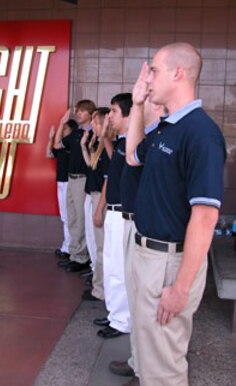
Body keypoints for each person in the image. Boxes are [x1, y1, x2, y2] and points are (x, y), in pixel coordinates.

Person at [126, 43, 226, 385]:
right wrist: (138, 105)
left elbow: (205, 218)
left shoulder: (201, 134)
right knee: (147, 352)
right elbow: (132, 157)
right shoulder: (166, 126)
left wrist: (180, 287)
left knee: (164, 368)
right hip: (144, 254)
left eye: (153, 70)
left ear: (177, 73)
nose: (147, 78)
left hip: (168, 265)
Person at [109, 86, 164, 385]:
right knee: (134, 298)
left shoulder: (158, 139)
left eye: (150, 101)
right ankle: (136, 361)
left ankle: (146, 371)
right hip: (129, 222)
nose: (148, 104)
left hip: (144, 226)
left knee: (146, 306)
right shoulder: (141, 140)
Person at [94, 93, 132, 339]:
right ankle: (114, 314)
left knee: (118, 268)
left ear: (128, 114)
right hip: (114, 212)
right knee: (110, 265)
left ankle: (121, 321)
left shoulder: (134, 144)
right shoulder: (120, 142)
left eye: (114, 111)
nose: (109, 116)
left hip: (125, 215)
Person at [53, 100, 96, 273]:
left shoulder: (93, 133)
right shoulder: (77, 132)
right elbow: (57, 145)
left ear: (90, 114)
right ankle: (74, 254)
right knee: (71, 217)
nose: (78, 113)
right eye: (77, 111)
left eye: (82, 111)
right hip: (70, 179)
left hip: (83, 179)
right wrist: (61, 123)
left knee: (80, 219)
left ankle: (81, 257)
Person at [80, 107, 113, 301]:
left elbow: (108, 179)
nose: (92, 125)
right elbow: (91, 165)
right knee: (96, 244)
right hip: (93, 195)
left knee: (101, 246)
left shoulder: (109, 146)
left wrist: (100, 208)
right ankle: (98, 284)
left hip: (101, 198)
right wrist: (87, 146)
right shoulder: (99, 144)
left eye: (95, 122)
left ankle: (100, 289)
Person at [46, 117, 78, 259]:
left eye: (65, 128)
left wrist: (60, 125)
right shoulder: (63, 147)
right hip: (61, 182)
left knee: (69, 217)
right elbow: (49, 153)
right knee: (65, 217)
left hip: (69, 183)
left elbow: (59, 144)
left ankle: (69, 248)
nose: (63, 131)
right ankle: (67, 245)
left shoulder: (71, 145)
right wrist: (50, 138)